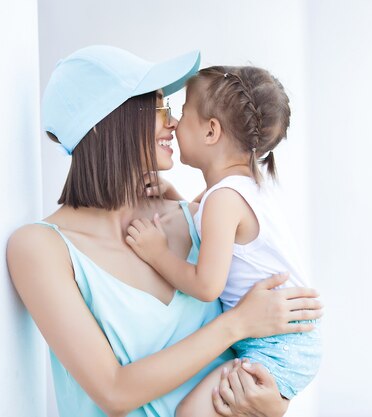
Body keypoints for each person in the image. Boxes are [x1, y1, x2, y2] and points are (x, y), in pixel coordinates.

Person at [6, 45, 323, 417]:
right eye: (160, 107)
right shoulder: (41, 249)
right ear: (109, 119)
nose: (172, 122)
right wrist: (237, 324)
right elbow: (113, 391)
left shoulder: (193, 216)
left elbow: (253, 368)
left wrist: (272, 404)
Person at [125, 66, 322, 415]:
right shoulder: (238, 189)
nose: (173, 123)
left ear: (211, 131)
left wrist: (156, 254)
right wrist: (175, 196)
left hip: (275, 345)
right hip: (290, 337)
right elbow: (205, 219)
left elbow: (205, 286)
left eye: (182, 113)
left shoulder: (223, 200)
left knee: (190, 412)